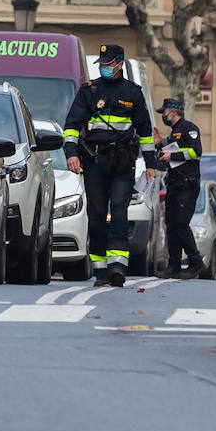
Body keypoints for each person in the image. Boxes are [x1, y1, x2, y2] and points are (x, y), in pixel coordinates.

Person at [62, 43, 155, 288]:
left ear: (120, 63)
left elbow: (145, 133)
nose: (104, 68)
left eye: (109, 64)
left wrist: (151, 163)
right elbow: (71, 126)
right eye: (102, 64)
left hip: (123, 163)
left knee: (120, 214)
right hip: (95, 161)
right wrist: (71, 154)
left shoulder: (133, 92)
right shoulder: (89, 91)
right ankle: (101, 270)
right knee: (96, 216)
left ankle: (117, 268)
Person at [154, 97, 205, 279]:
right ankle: (173, 265)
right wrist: (159, 143)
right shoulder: (175, 132)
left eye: (164, 112)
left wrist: (172, 156)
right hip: (174, 185)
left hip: (187, 185)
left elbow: (195, 151)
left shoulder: (189, 128)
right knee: (171, 225)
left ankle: (195, 262)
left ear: (173, 112)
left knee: (181, 224)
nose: (163, 115)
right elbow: (167, 152)